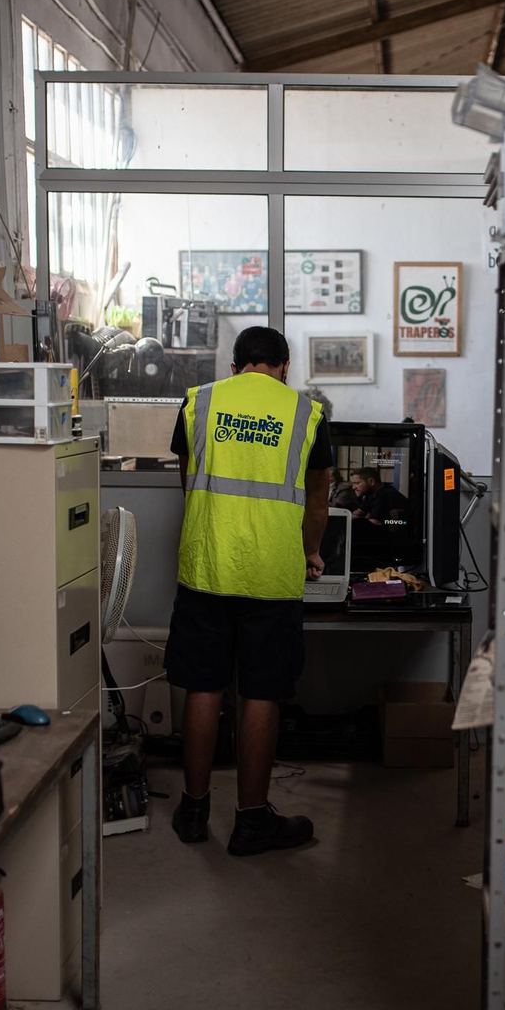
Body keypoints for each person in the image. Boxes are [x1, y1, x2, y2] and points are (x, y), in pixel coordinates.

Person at [165, 326, 332, 856]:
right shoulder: (306, 413)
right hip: (271, 576)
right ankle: (252, 820)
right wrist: (309, 552)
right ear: (285, 367)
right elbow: (318, 499)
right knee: (262, 692)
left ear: (236, 366)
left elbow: (189, 482)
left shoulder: (200, 402)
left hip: (207, 568)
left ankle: (194, 810)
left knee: (203, 686)